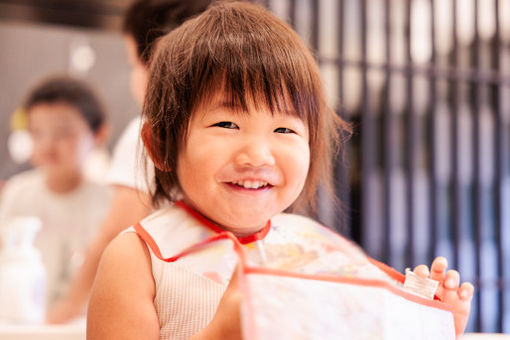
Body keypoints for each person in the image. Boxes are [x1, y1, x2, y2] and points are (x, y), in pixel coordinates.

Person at [87, 2, 474, 339]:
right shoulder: (137, 257)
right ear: (161, 145)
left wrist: (436, 321)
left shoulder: (312, 251)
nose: (258, 154)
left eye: (284, 129)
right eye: (226, 124)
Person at [45, 0, 212, 323]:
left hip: (154, 305)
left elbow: (116, 232)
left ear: (159, 60)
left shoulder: (150, 131)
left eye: (132, 63)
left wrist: (66, 311)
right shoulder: (212, 130)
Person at [0, 75, 112, 313]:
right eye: (37, 133)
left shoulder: (109, 202)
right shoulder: (17, 193)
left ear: (98, 135)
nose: (48, 145)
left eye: (63, 133)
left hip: (81, 325)